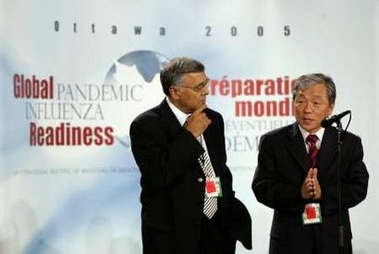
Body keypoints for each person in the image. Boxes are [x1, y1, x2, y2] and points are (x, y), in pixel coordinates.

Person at [130, 57, 252, 254]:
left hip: (217, 232)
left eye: (206, 83)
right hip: (173, 237)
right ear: (175, 91)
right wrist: (189, 135)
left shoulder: (214, 119)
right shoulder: (146, 125)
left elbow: (219, 168)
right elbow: (158, 176)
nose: (207, 91)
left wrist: (227, 205)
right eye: (198, 87)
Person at [252, 73, 369, 254]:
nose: (307, 109)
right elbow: (262, 187)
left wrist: (324, 194)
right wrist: (299, 193)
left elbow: (358, 187)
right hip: (289, 241)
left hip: (333, 240)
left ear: (330, 107)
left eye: (316, 103)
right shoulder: (273, 141)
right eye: (300, 101)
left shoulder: (348, 142)